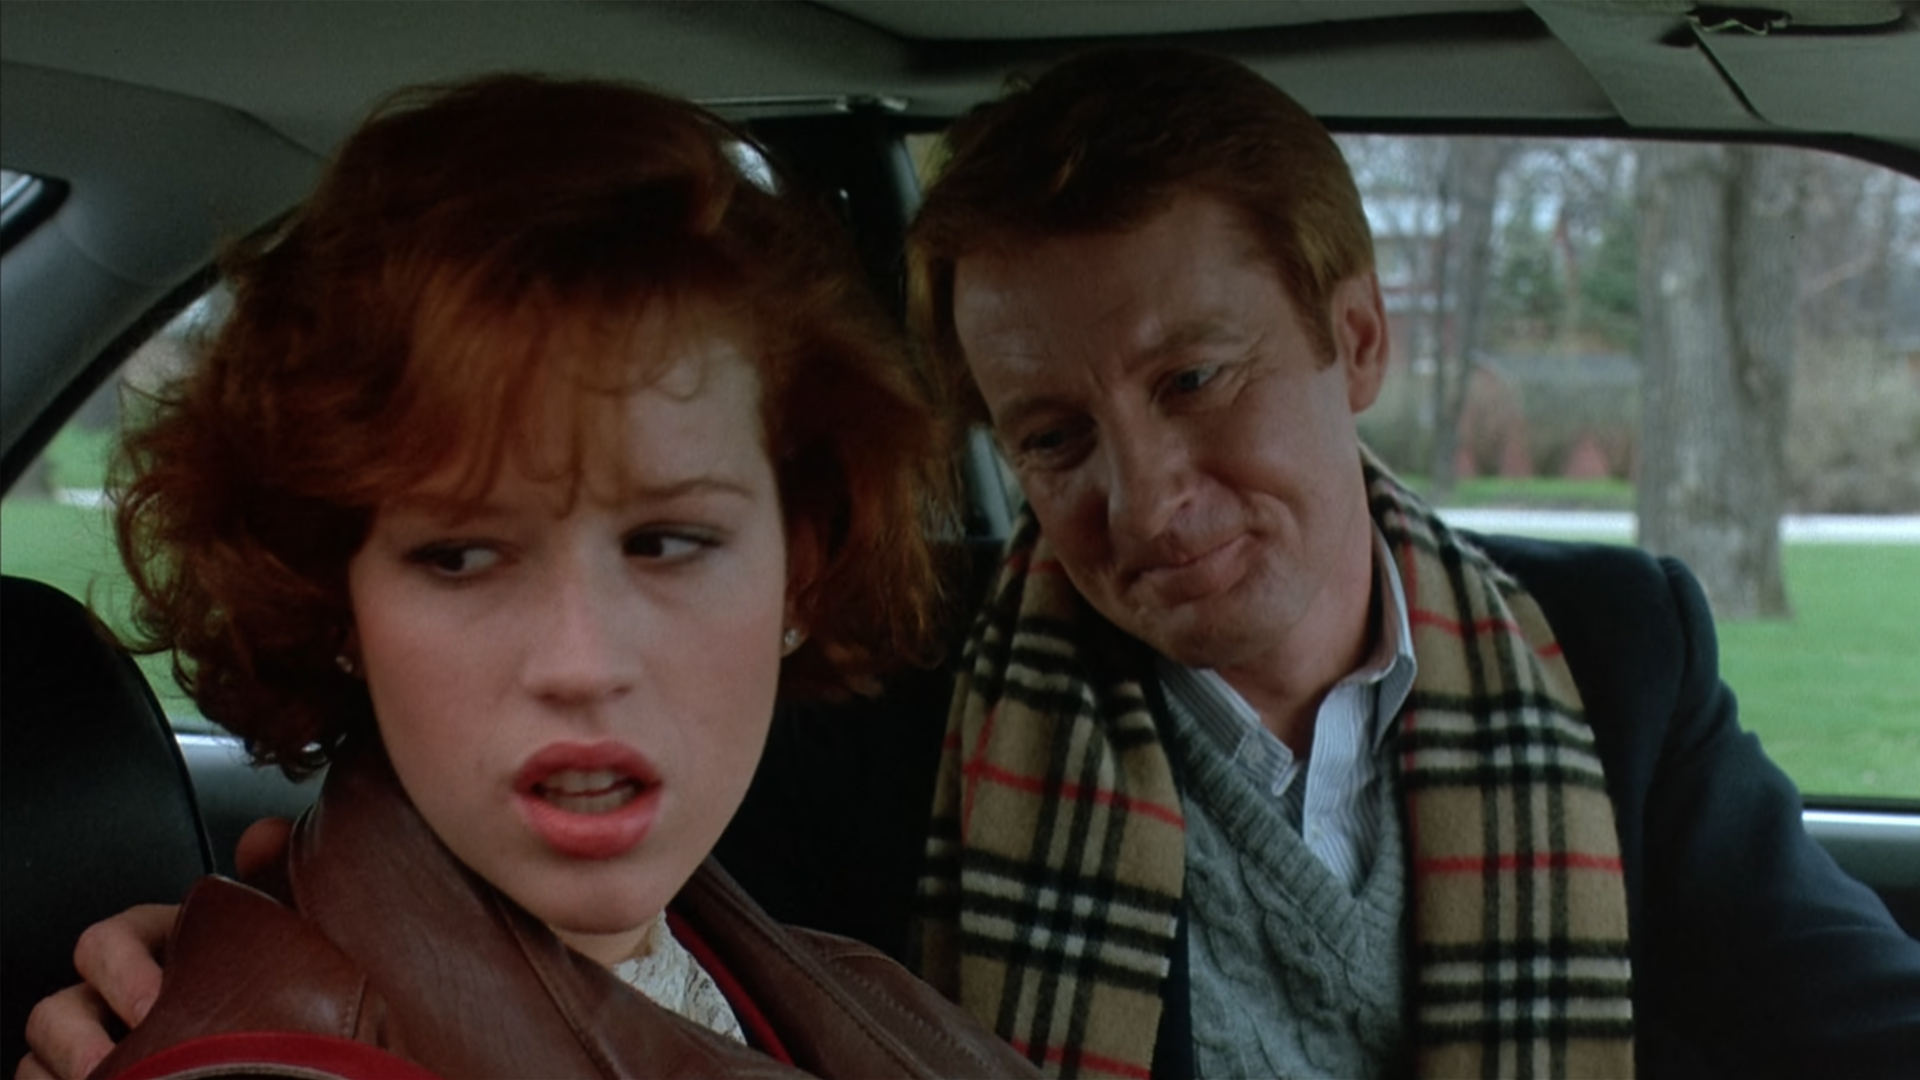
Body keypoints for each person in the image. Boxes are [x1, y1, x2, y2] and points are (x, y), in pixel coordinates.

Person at [25, 46, 1920, 1080]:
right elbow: (444, 923)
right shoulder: (881, 706)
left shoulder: (1612, 648)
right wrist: (206, 981)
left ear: (1356, 339)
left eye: (1194, 380)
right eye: (1055, 436)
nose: (1146, 495)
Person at [18, 74, 1036, 1080]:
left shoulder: (840, 990)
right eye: (460, 556)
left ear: (799, 573)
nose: (582, 663)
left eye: (667, 542)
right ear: (336, 602)